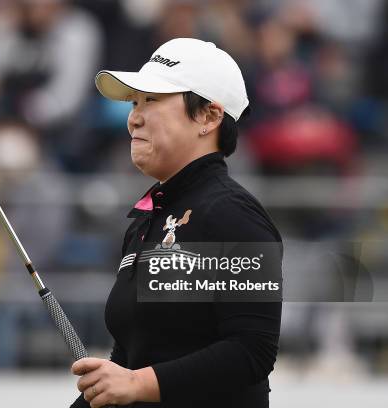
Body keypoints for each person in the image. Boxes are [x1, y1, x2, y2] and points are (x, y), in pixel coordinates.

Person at [69, 38, 283, 408]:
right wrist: (121, 383)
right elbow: (131, 358)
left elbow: (252, 350)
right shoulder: (147, 219)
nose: (133, 117)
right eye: (135, 103)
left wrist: (136, 383)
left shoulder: (234, 214)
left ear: (209, 116)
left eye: (151, 100)